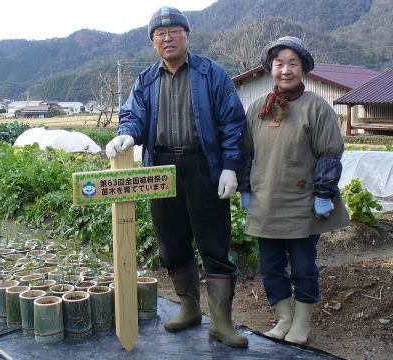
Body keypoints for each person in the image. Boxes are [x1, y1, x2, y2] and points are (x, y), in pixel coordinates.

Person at [105, 6, 248, 348]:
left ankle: (222, 322)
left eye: (173, 32)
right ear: (153, 42)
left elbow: (232, 123)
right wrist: (127, 134)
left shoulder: (211, 73)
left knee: (214, 244)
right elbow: (133, 116)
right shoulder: (146, 79)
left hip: (203, 166)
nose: (167, 39)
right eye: (159, 35)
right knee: (172, 242)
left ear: (187, 35)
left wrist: (231, 166)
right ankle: (189, 308)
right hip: (161, 169)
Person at [239, 36, 350, 345]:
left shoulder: (315, 106)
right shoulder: (258, 108)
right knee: (270, 266)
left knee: (303, 266)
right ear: (270, 69)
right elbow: (245, 153)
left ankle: (301, 322)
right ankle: (283, 318)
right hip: (266, 202)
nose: (285, 70)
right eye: (279, 64)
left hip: (303, 203)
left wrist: (323, 193)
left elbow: (329, 153)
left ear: (303, 69)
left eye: (292, 64)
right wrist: (246, 190)